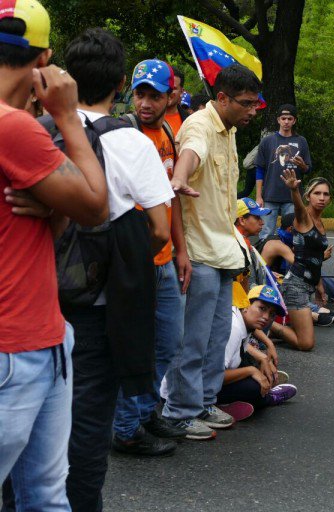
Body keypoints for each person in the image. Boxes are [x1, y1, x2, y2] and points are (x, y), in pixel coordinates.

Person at [0, 2, 108, 509]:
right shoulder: (17, 130)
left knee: (45, 492)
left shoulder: (18, 130)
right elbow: (94, 205)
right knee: (43, 495)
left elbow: (61, 220)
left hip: (40, 338)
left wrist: (48, 209)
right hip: (16, 348)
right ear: (44, 59)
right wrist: (66, 115)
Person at [61, 29, 174, 511]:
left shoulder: (39, 130)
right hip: (102, 302)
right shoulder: (133, 142)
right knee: (88, 418)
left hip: (38, 295)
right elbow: (160, 230)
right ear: (123, 83)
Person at [164, 64, 263, 440]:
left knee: (216, 338)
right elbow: (191, 154)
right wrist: (178, 177)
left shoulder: (232, 129)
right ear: (221, 98)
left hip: (224, 250)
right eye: (246, 103)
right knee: (192, 339)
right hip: (199, 253)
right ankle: (178, 412)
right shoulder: (200, 126)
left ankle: (204, 402)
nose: (252, 110)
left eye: (256, 103)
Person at [110, 59, 191, 457]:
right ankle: (125, 428)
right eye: (140, 93)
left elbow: (170, 199)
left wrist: (181, 251)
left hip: (164, 258)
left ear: (171, 97)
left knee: (168, 342)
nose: (145, 102)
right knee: (137, 346)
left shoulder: (167, 137)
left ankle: (145, 412)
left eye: (154, 95)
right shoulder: (125, 133)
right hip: (134, 260)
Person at [217, 285, 297, 409]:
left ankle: (260, 387)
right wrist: (251, 370)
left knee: (251, 362)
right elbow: (215, 377)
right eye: (262, 308)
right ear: (246, 305)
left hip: (204, 381)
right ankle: (267, 398)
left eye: (272, 314)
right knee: (254, 387)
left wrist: (263, 357)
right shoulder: (233, 328)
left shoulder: (240, 319)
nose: (266, 317)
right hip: (200, 389)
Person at [279, 171, 330, 351]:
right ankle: (265, 326)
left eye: (325, 194)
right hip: (295, 286)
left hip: (307, 286)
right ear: (308, 196)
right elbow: (299, 208)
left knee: (302, 332)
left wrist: (319, 287)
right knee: (306, 344)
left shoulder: (320, 222)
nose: (322, 198)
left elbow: (315, 259)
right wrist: (294, 191)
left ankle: (281, 327)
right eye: (317, 193)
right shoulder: (304, 218)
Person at [246, 104, 312, 241]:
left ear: (294, 121)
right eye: (283, 118)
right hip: (270, 195)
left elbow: (308, 169)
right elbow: (259, 169)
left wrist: (302, 166)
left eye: (289, 118)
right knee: (265, 233)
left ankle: (289, 261)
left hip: (293, 196)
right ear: (278, 120)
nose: (286, 122)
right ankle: (265, 261)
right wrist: (259, 196)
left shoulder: (301, 141)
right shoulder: (267, 141)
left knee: (293, 233)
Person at [163, 65, 189, 135]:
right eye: (165, 87)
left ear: (181, 92)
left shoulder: (190, 120)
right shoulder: (147, 118)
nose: (168, 92)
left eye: (173, 89)